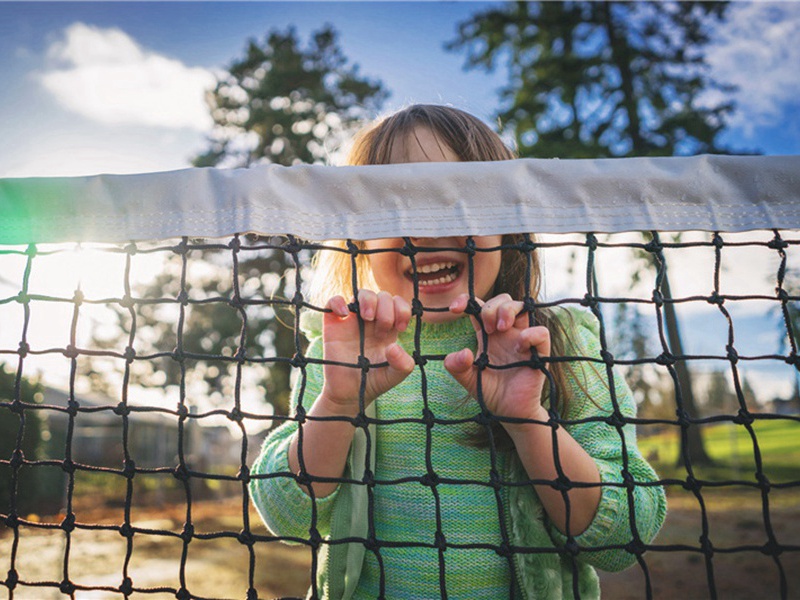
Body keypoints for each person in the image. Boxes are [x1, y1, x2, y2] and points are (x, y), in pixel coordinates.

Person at [249, 104, 666, 599]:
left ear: (508, 220)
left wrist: (527, 419)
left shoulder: (559, 340)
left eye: (456, 198)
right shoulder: (342, 349)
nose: (424, 231)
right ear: (357, 238)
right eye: (395, 204)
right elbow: (288, 516)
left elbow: (623, 537)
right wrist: (338, 404)